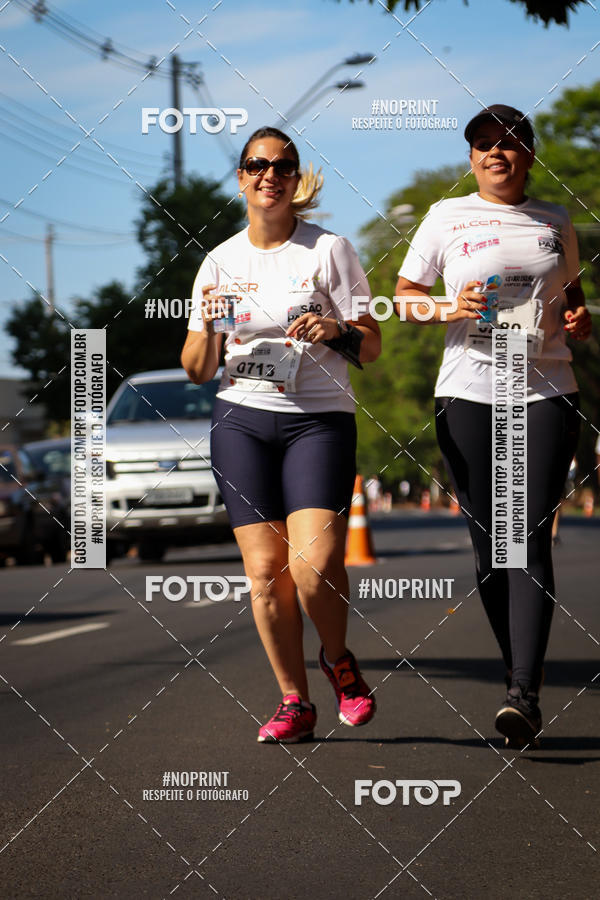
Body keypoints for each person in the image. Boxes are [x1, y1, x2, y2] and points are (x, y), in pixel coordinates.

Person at [394, 105, 591, 748]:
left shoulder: (555, 221)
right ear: (471, 158)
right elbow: (404, 298)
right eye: (482, 145)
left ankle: (523, 695)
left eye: (507, 145)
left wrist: (581, 321)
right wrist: (451, 306)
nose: (494, 155)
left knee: (527, 534)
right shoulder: (446, 217)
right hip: (470, 391)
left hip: (543, 389)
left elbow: (574, 301)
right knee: (490, 548)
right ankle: (517, 669)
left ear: (529, 155)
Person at [182, 126, 381, 743]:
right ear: (241, 177)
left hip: (317, 419)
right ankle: (293, 701)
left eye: (283, 166)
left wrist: (336, 331)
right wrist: (210, 326)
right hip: (241, 419)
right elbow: (195, 368)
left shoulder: (329, 251)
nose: (270, 175)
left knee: (315, 565)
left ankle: (339, 661)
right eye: (257, 165)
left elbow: (370, 347)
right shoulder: (219, 262)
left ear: (296, 179)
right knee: (266, 574)